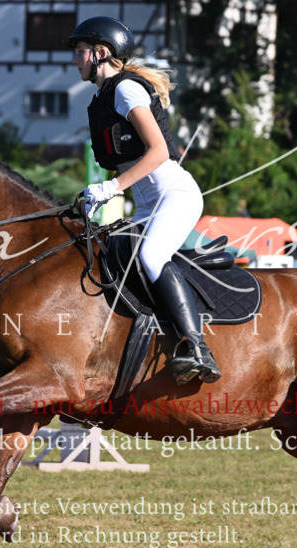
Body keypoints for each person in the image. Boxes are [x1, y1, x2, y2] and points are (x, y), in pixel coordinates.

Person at [64, 16, 220, 384]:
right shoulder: (102, 98)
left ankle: (197, 347)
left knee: (150, 256)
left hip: (175, 195)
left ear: (101, 54)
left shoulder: (126, 91)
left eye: (81, 51)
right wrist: (101, 194)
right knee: (111, 254)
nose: (75, 60)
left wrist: (110, 188)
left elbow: (159, 152)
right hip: (148, 202)